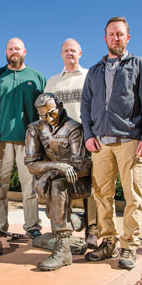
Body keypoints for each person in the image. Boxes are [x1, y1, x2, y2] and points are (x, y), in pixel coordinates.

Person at [80, 17, 142, 270]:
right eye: (112, 34)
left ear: (128, 37)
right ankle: (108, 242)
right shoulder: (94, 71)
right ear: (105, 38)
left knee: (133, 196)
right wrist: (88, 135)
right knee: (102, 195)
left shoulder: (140, 65)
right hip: (101, 144)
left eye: (120, 34)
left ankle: (129, 246)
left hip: (130, 141)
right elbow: (85, 106)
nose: (116, 37)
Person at [0, 38, 46, 239]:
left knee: (29, 186)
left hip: (28, 141)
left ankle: (32, 226)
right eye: (11, 49)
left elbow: (45, 111)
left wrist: (42, 141)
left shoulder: (36, 77)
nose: (14, 52)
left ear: (25, 51)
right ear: (6, 52)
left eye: (17, 48)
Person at [25, 93, 92, 271]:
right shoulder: (34, 129)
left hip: (77, 182)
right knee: (42, 235)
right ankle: (74, 222)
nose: (48, 118)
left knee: (57, 184)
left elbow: (81, 166)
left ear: (60, 106)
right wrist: (58, 167)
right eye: (42, 115)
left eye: (51, 113)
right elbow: (32, 164)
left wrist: (48, 174)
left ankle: (63, 250)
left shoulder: (74, 128)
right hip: (50, 182)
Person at [45, 38, 98, 248]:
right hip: (60, 143)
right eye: (66, 50)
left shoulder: (89, 77)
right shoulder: (53, 82)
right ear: (61, 54)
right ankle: (63, 230)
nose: (70, 54)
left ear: (80, 53)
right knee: (61, 184)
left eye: (74, 50)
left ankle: (92, 230)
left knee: (90, 186)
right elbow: (46, 114)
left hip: (87, 139)